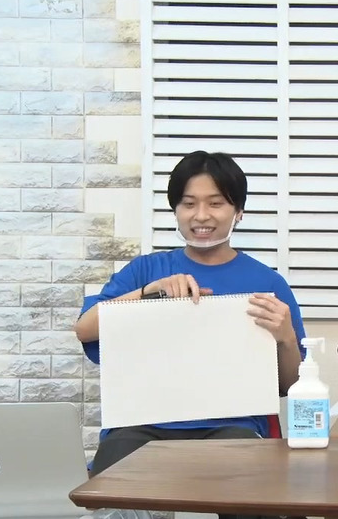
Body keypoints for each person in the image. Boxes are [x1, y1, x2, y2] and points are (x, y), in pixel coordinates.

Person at [74, 151, 306, 519]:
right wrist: (149, 293)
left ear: (239, 211)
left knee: (255, 490)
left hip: (231, 428)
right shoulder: (145, 270)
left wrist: (287, 337)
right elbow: (84, 328)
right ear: (176, 210)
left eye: (215, 203)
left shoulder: (267, 283)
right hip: (141, 427)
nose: (201, 215)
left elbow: (289, 385)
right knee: (111, 493)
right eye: (189, 203)